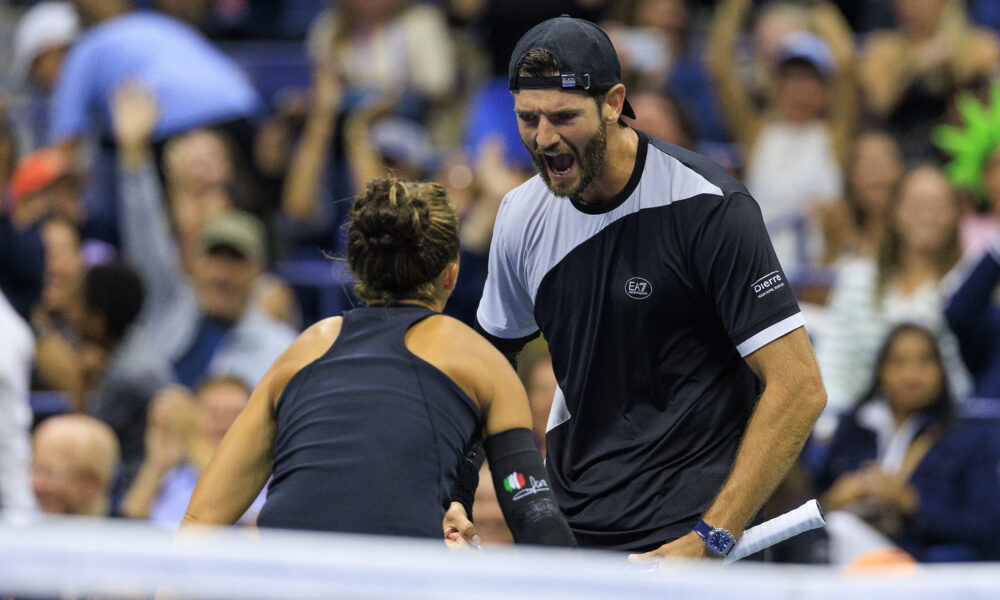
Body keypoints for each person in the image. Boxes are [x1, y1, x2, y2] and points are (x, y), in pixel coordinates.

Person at [446, 16, 826, 560]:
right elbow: (486, 373)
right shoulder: (520, 215)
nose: (544, 138)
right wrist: (458, 495)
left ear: (613, 101)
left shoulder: (709, 208)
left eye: (563, 117)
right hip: (580, 537)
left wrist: (711, 539)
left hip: (695, 533)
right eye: (527, 119)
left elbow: (800, 388)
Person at [180, 177, 576, 547]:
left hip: (287, 573)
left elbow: (198, 524)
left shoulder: (303, 349)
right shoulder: (482, 360)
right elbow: (534, 514)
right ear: (450, 276)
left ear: (356, 273)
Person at [814, 324, 998, 561]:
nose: (912, 375)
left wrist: (911, 503)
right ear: (880, 370)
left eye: (924, 362)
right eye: (899, 363)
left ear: (942, 370)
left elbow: (988, 529)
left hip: (920, 568)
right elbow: (809, 501)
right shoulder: (854, 426)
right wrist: (832, 500)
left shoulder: (967, 437)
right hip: (839, 551)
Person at [815, 165, 971, 422]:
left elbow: (965, 376)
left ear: (956, 214)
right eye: (918, 204)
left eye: (939, 205)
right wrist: (832, 425)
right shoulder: (857, 279)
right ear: (896, 210)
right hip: (857, 427)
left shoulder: (969, 287)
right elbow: (834, 360)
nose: (928, 215)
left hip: (942, 430)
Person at [122, 377, 263, 528]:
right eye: (213, 412)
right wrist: (158, 464)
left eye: (234, 413)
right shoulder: (177, 472)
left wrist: (192, 438)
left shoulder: (266, 474)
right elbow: (130, 524)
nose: (223, 421)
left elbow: (254, 523)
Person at [31, 414, 120, 517]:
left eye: (50, 474)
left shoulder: (126, 530)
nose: (38, 484)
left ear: (90, 484)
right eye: (36, 470)